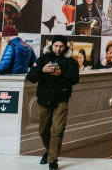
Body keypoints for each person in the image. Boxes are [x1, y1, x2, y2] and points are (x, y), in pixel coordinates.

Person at [27, 35, 79, 170]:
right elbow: (31, 77)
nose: (58, 48)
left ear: (65, 47)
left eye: (61, 46)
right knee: (43, 130)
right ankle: (49, 151)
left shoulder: (70, 62)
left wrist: (60, 74)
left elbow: (74, 79)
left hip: (61, 99)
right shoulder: (43, 59)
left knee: (58, 130)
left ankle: (52, 160)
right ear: (51, 46)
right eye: (56, 45)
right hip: (44, 100)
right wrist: (42, 70)